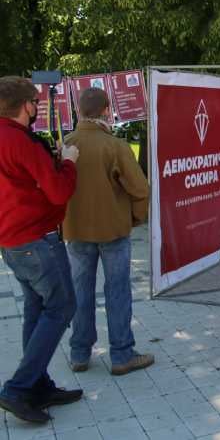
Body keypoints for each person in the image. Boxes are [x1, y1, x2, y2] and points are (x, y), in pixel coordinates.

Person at [0, 76, 82, 423]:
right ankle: (18, 388)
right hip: (36, 237)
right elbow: (59, 191)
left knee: (37, 307)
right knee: (62, 306)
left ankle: (38, 384)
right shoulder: (20, 141)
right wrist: (68, 162)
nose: (38, 107)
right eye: (35, 101)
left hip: (13, 239)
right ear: (26, 106)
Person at [62, 88, 153, 376]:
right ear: (105, 110)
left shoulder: (67, 143)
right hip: (113, 230)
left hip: (76, 230)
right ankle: (122, 354)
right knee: (117, 291)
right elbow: (140, 188)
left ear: (79, 110)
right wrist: (136, 218)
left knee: (80, 291)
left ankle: (79, 353)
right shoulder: (114, 145)